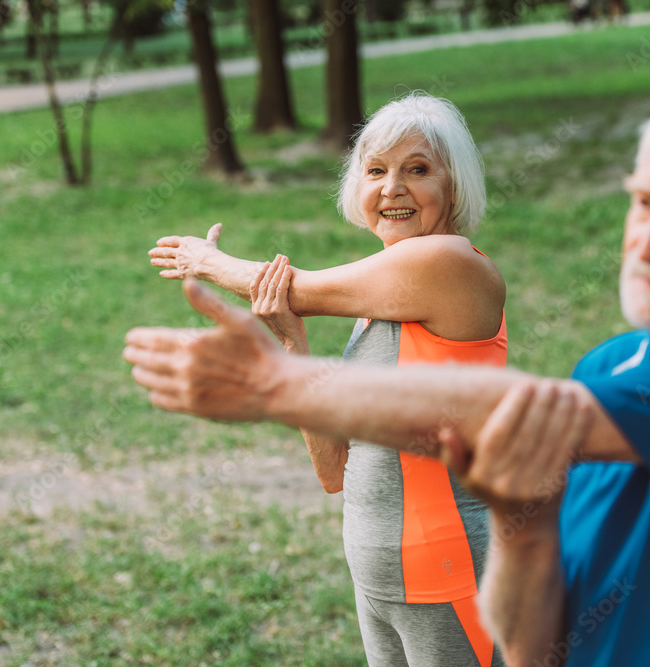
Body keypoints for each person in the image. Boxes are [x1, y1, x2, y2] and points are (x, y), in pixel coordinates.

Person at [125, 82, 650, 666]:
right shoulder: (609, 368)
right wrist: (521, 520)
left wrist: (274, 381)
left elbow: (528, 413)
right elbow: (538, 640)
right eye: (644, 202)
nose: (649, 240)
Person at [146, 93, 507, 667]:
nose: (392, 189)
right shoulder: (376, 307)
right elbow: (335, 471)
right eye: (376, 171)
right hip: (378, 578)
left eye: (417, 169)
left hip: (447, 572)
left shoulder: (451, 264)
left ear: (454, 185)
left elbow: (297, 288)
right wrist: (294, 345)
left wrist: (207, 261)